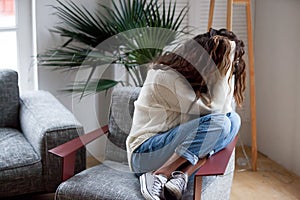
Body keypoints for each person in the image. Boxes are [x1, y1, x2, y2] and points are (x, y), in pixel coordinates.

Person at [126, 28, 246, 200]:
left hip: (166, 149)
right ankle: (160, 174)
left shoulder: (193, 83)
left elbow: (226, 111)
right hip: (144, 154)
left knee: (233, 120)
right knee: (222, 123)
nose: (229, 68)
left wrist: (229, 66)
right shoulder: (165, 77)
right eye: (224, 63)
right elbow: (217, 111)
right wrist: (224, 68)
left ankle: (182, 174)